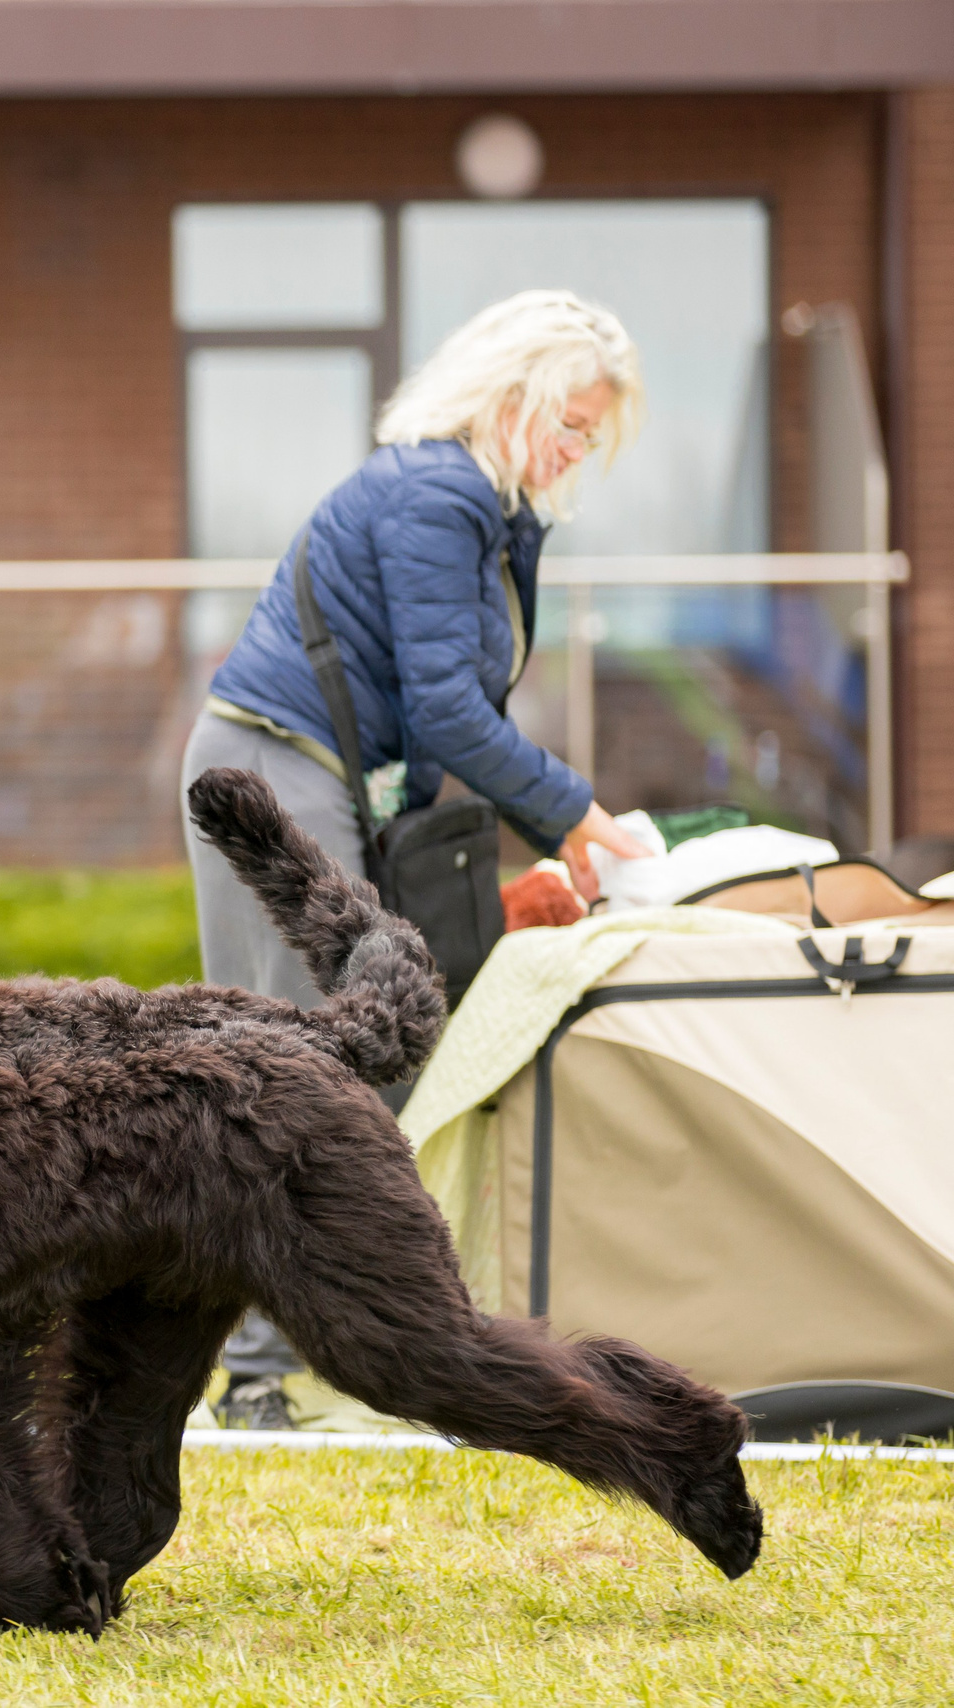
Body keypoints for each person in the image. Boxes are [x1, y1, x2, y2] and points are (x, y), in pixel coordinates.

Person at [180, 288, 655, 1431]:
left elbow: (430, 709)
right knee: (299, 1080)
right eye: (572, 424)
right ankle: (251, 1377)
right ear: (515, 398)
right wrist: (580, 814)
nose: (577, 450)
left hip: (329, 780)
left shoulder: (483, 509)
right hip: (274, 772)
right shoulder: (436, 496)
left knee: (345, 1064)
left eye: (592, 434)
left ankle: (323, 1350)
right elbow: (449, 709)